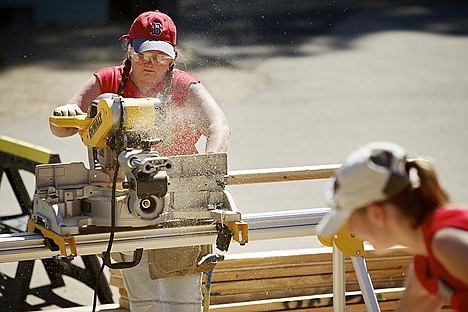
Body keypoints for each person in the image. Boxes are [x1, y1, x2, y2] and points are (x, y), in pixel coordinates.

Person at [50, 10, 230, 312]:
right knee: (143, 301)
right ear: (129, 50)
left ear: (172, 58)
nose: (151, 63)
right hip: (120, 205)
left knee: (180, 302)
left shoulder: (185, 85)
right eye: (144, 54)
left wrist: (209, 165)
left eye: (161, 57)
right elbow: (63, 125)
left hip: (178, 205)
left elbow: (218, 125)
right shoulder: (108, 81)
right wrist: (67, 113)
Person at [317, 142, 468, 312]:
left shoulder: (446, 243)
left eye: (349, 220)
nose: (350, 231)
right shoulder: (425, 263)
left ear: (376, 215)